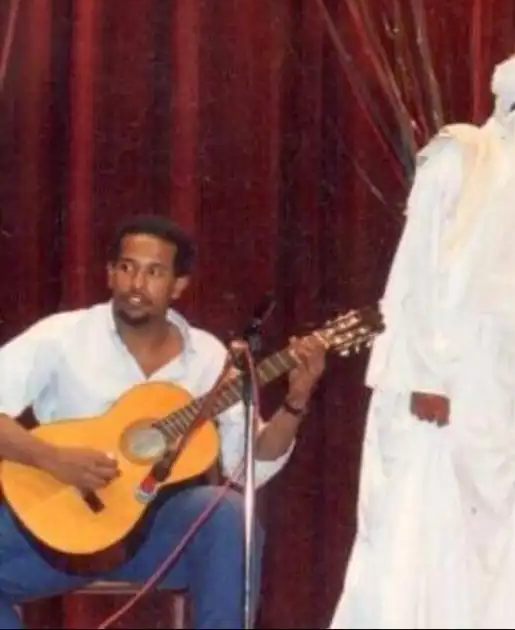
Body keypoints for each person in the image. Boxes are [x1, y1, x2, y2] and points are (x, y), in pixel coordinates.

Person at [330, 38, 515, 629]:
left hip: (504, 415)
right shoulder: (464, 157)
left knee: (489, 580)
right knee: (408, 562)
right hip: (433, 398)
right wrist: (426, 379)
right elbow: (415, 276)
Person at [0, 214, 327, 629]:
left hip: (156, 538)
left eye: (154, 272)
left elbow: (249, 460)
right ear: (110, 273)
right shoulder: (62, 337)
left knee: (226, 514)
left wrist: (296, 401)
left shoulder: (209, 358)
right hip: (55, 529)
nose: (137, 284)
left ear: (178, 286)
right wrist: (53, 459)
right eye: (127, 268)